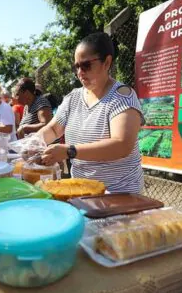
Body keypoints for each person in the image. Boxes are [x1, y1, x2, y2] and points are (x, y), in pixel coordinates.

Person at [37, 32, 144, 194]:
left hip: (118, 194)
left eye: (86, 65)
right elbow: (53, 130)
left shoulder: (122, 96)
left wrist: (69, 151)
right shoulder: (73, 98)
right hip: (82, 191)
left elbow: (122, 145)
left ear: (106, 63)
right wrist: (31, 143)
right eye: (76, 66)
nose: (80, 72)